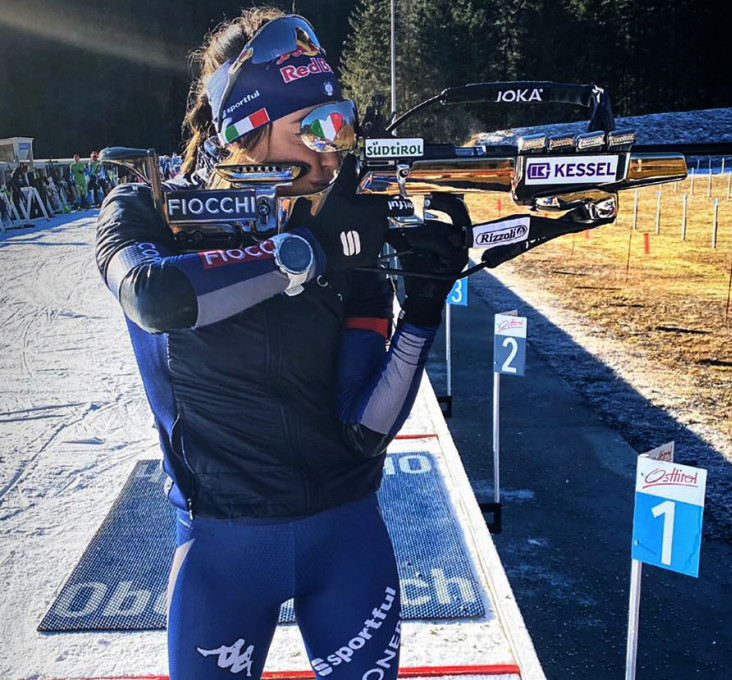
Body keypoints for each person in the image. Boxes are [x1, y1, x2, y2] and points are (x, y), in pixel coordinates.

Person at [94, 8, 467, 679]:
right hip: (222, 553)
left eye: (342, 124)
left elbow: (363, 428)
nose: (334, 151)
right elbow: (156, 296)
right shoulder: (145, 208)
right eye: (315, 128)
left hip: (347, 538)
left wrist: (423, 305)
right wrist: (312, 251)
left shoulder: (341, 228)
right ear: (246, 126)